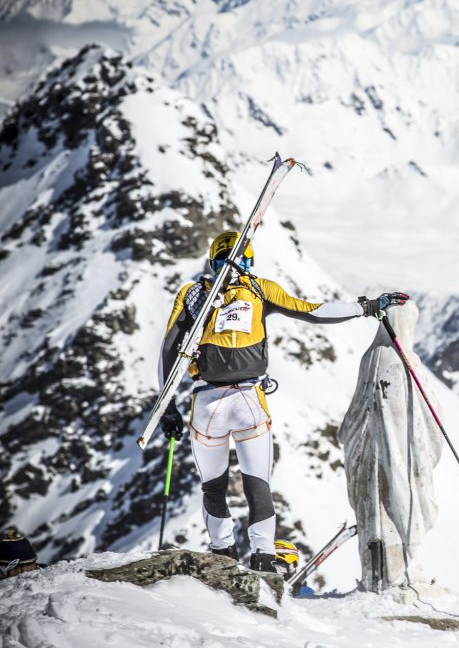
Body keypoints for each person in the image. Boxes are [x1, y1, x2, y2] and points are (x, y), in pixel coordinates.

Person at [159, 230, 407, 573]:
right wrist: (367, 307)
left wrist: (166, 408)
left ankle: (222, 556)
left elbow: (169, 350)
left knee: (213, 485)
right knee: (257, 482)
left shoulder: (193, 293)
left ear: (213, 261)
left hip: (206, 401)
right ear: (248, 260)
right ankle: (262, 557)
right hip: (249, 398)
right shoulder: (261, 289)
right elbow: (312, 311)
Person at [339, 300, 443, 591]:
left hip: (370, 457)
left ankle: (379, 576)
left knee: (375, 514)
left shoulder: (370, 358)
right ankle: (402, 573)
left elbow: (356, 413)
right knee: (403, 505)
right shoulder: (405, 360)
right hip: (402, 455)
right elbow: (427, 413)